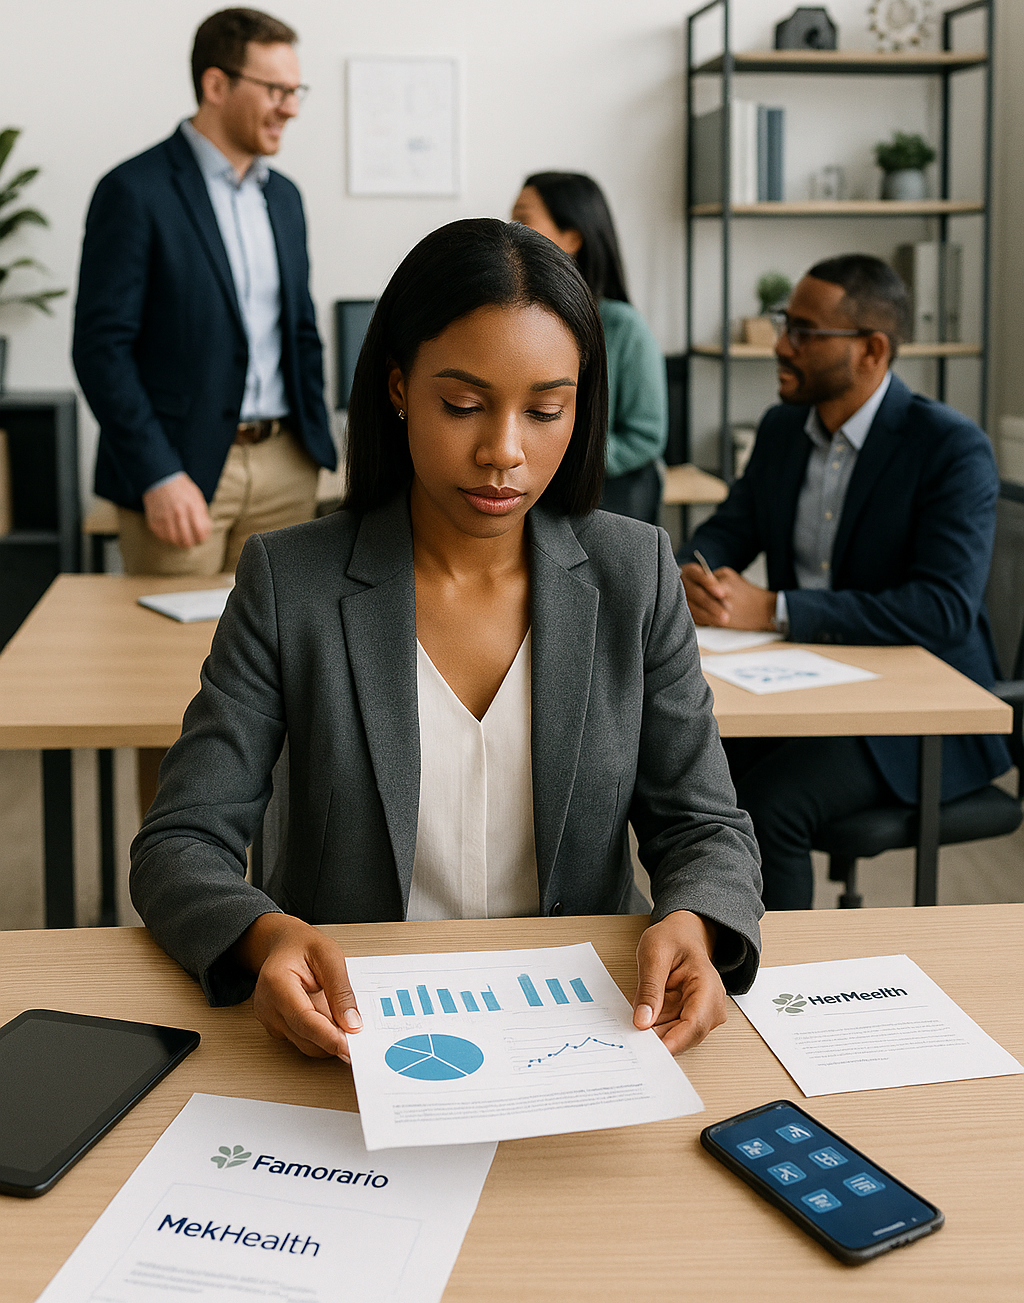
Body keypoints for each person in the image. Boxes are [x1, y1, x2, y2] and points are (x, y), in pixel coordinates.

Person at [131, 218, 763, 1064]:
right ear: (397, 387)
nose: (504, 451)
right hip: (355, 1030)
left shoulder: (634, 571)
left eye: (545, 410)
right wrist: (262, 934)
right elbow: (180, 841)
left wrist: (692, 916)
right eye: (462, 405)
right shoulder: (293, 580)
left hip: (581, 1030)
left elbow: (705, 824)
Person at [679, 254, 1011, 910]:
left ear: (871, 350)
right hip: (801, 686)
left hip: (918, 713)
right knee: (694, 779)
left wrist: (775, 609)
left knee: (771, 806)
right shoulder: (781, 431)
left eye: (803, 331)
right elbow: (728, 528)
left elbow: (943, 607)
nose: (781, 344)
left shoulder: (949, 448)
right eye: (785, 323)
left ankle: (787, 994)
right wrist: (694, 572)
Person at [73, 7, 335, 576]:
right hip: (181, 473)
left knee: (285, 654)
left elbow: (301, 331)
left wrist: (319, 448)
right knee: (171, 660)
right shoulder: (133, 191)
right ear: (216, 84)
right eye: (276, 90)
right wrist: (157, 474)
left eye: (297, 91)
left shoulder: (285, 198)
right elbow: (101, 349)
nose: (291, 107)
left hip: (286, 465)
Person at [512, 172, 668, 525]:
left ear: (572, 236)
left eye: (523, 218)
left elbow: (646, 436)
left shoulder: (623, 326)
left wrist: (563, 458)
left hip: (599, 497)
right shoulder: (515, 323)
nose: (512, 230)